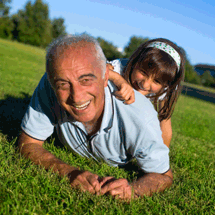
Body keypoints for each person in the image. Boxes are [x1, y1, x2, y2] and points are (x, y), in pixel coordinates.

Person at [18, 34, 173, 200]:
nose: (77, 97)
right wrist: (68, 172)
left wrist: (133, 190)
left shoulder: (141, 116)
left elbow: (164, 175)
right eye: (63, 84)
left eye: (86, 80)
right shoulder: (49, 84)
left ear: (105, 76)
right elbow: (28, 143)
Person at [108, 38, 185, 147]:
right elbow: (96, 70)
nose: (144, 84)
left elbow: (165, 124)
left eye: (156, 81)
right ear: (135, 62)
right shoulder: (119, 67)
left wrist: (160, 156)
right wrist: (118, 79)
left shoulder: (162, 90)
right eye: (143, 72)